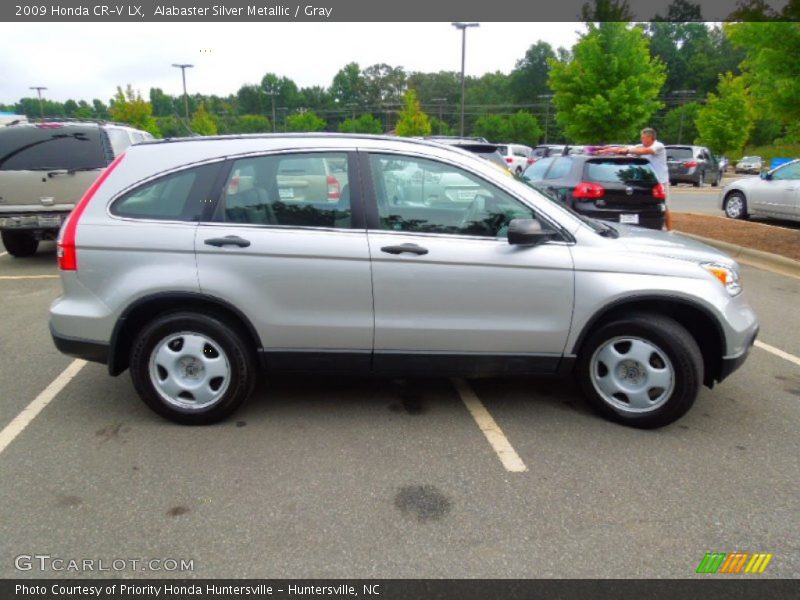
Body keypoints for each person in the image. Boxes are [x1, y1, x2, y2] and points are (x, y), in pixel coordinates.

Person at [597, 128, 671, 229]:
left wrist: (627, 151)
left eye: (643, 137)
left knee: (663, 206)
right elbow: (623, 149)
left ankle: (670, 230)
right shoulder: (640, 147)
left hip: (660, 181)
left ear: (650, 137)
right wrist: (607, 150)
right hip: (646, 181)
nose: (642, 139)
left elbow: (647, 151)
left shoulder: (658, 146)